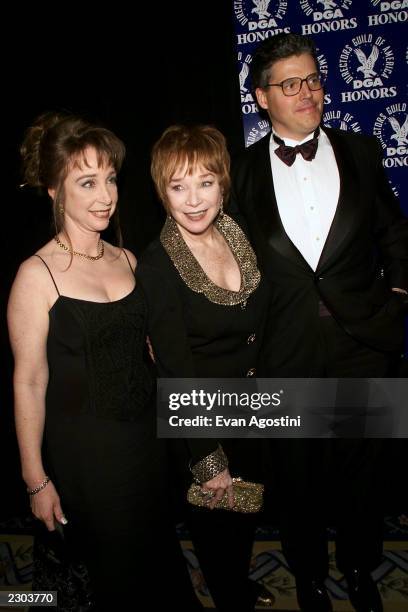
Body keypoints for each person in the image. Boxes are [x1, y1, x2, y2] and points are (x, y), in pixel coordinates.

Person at [229, 33, 408, 612]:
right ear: (261, 97)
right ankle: (306, 578)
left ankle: (360, 568)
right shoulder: (239, 173)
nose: (306, 91)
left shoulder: (361, 151)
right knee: (296, 477)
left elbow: (394, 235)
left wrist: (397, 298)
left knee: (364, 471)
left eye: (312, 79)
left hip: (363, 344)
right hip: (286, 352)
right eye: (289, 83)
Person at [7, 112, 202, 611]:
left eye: (110, 179)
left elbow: (154, 354)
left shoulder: (130, 261)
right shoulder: (37, 275)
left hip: (144, 447)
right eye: (87, 182)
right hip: (86, 461)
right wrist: (36, 480)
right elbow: (29, 381)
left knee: (157, 567)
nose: (106, 195)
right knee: (109, 580)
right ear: (54, 190)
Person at [136, 124, 272, 612]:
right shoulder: (157, 266)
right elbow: (174, 368)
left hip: (254, 409)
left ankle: (235, 578)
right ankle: (230, 592)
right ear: (162, 191)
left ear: (223, 184)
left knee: (247, 511)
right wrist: (206, 456)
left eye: (205, 182)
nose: (193, 200)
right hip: (201, 421)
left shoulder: (238, 231)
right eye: (178, 186)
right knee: (216, 525)